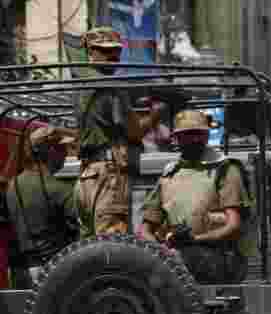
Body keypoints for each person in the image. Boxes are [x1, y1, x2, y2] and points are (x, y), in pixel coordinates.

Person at [140, 110, 252, 284]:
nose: (193, 140)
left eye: (198, 134)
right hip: (174, 257)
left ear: (206, 136)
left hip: (219, 257)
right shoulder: (170, 175)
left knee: (171, 269)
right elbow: (145, 230)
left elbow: (234, 225)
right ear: (176, 138)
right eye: (187, 135)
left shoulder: (225, 170)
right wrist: (162, 250)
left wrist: (195, 240)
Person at [76, 27, 162, 237]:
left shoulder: (79, 84)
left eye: (116, 51)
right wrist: (156, 114)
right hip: (109, 174)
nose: (113, 57)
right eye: (106, 51)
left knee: (90, 245)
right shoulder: (113, 86)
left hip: (87, 174)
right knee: (112, 246)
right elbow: (134, 132)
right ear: (91, 51)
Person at [5, 126, 78, 288]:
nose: (66, 154)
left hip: (21, 273)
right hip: (54, 270)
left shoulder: (12, 185)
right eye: (61, 148)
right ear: (50, 151)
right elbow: (80, 228)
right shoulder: (60, 189)